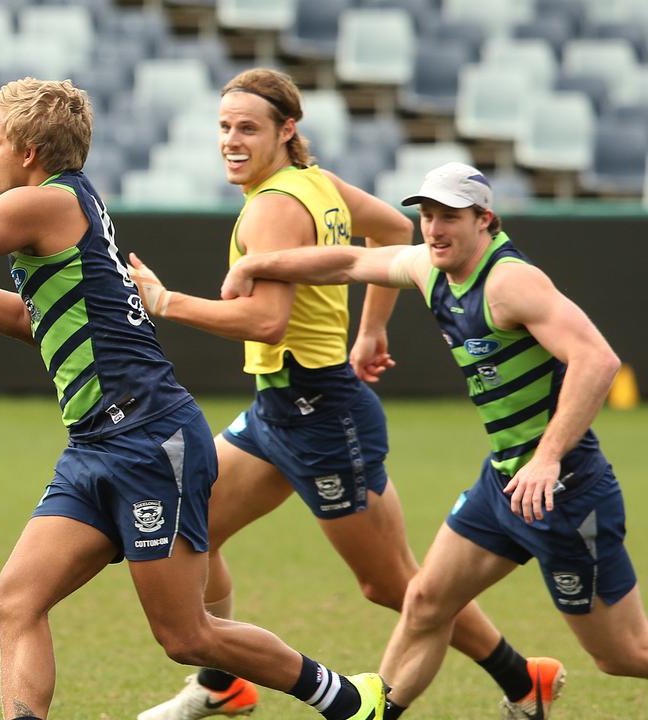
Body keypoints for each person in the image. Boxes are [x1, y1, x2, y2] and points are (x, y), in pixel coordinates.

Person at [0, 77, 386, 720]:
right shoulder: (65, 204)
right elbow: (28, 320)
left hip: (150, 439)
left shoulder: (41, 203)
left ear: (31, 152)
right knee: (15, 602)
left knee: (187, 637)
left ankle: (346, 698)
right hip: (95, 446)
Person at [125, 69, 561, 720]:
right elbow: (391, 229)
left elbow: (267, 321)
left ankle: (523, 676)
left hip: (323, 415)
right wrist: (371, 330)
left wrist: (166, 302)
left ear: (287, 130)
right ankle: (223, 683)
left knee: (395, 584)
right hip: (279, 407)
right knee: (198, 529)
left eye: (248, 127)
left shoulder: (277, 203)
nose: (231, 140)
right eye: (224, 127)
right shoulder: (314, 183)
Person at [218, 161, 648, 719]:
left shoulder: (509, 281)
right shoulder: (431, 268)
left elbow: (598, 360)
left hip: (564, 492)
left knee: (622, 654)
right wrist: (255, 262)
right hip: (503, 484)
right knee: (423, 602)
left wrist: (547, 458)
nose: (434, 228)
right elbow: (350, 260)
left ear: (484, 219)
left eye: (450, 216)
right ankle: (372, 715)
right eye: (426, 215)